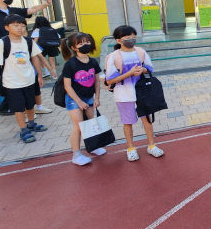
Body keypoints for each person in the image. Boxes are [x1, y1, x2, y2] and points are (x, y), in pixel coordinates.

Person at [0, 0, 52, 114]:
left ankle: (21, 106)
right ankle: (6, 107)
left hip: (18, 50)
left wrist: (46, 4)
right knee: (3, 78)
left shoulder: (13, 11)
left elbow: (31, 9)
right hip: (1, 50)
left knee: (22, 75)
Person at [104, 25, 163, 162]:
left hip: (142, 92)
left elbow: (149, 68)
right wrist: (129, 73)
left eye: (133, 37)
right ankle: (130, 148)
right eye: (127, 38)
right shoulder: (113, 57)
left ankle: (152, 145)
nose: (131, 40)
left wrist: (143, 70)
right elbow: (110, 79)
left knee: (147, 119)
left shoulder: (140, 52)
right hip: (124, 95)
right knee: (128, 122)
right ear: (119, 40)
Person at [0, 14, 47, 143]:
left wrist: (40, 75)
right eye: (16, 25)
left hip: (29, 79)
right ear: (7, 27)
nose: (20, 28)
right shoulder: (2, 43)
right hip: (12, 82)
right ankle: (23, 129)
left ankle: (32, 123)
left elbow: (34, 58)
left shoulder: (28, 41)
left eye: (22, 25)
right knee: (18, 107)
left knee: (30, 104)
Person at [61, 32, 106, 166]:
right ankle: (76, 155)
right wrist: (79, 102)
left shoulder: (92, 61)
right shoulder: (70, 64)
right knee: (79, 127)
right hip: (73, 100)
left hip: (89, 98)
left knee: (92, 123)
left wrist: (97, 98)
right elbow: (67, 86)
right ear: (74, 47)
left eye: (87, 42)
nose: (85, 45)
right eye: (81, 44)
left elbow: (97, 81)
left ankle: (93, 147)